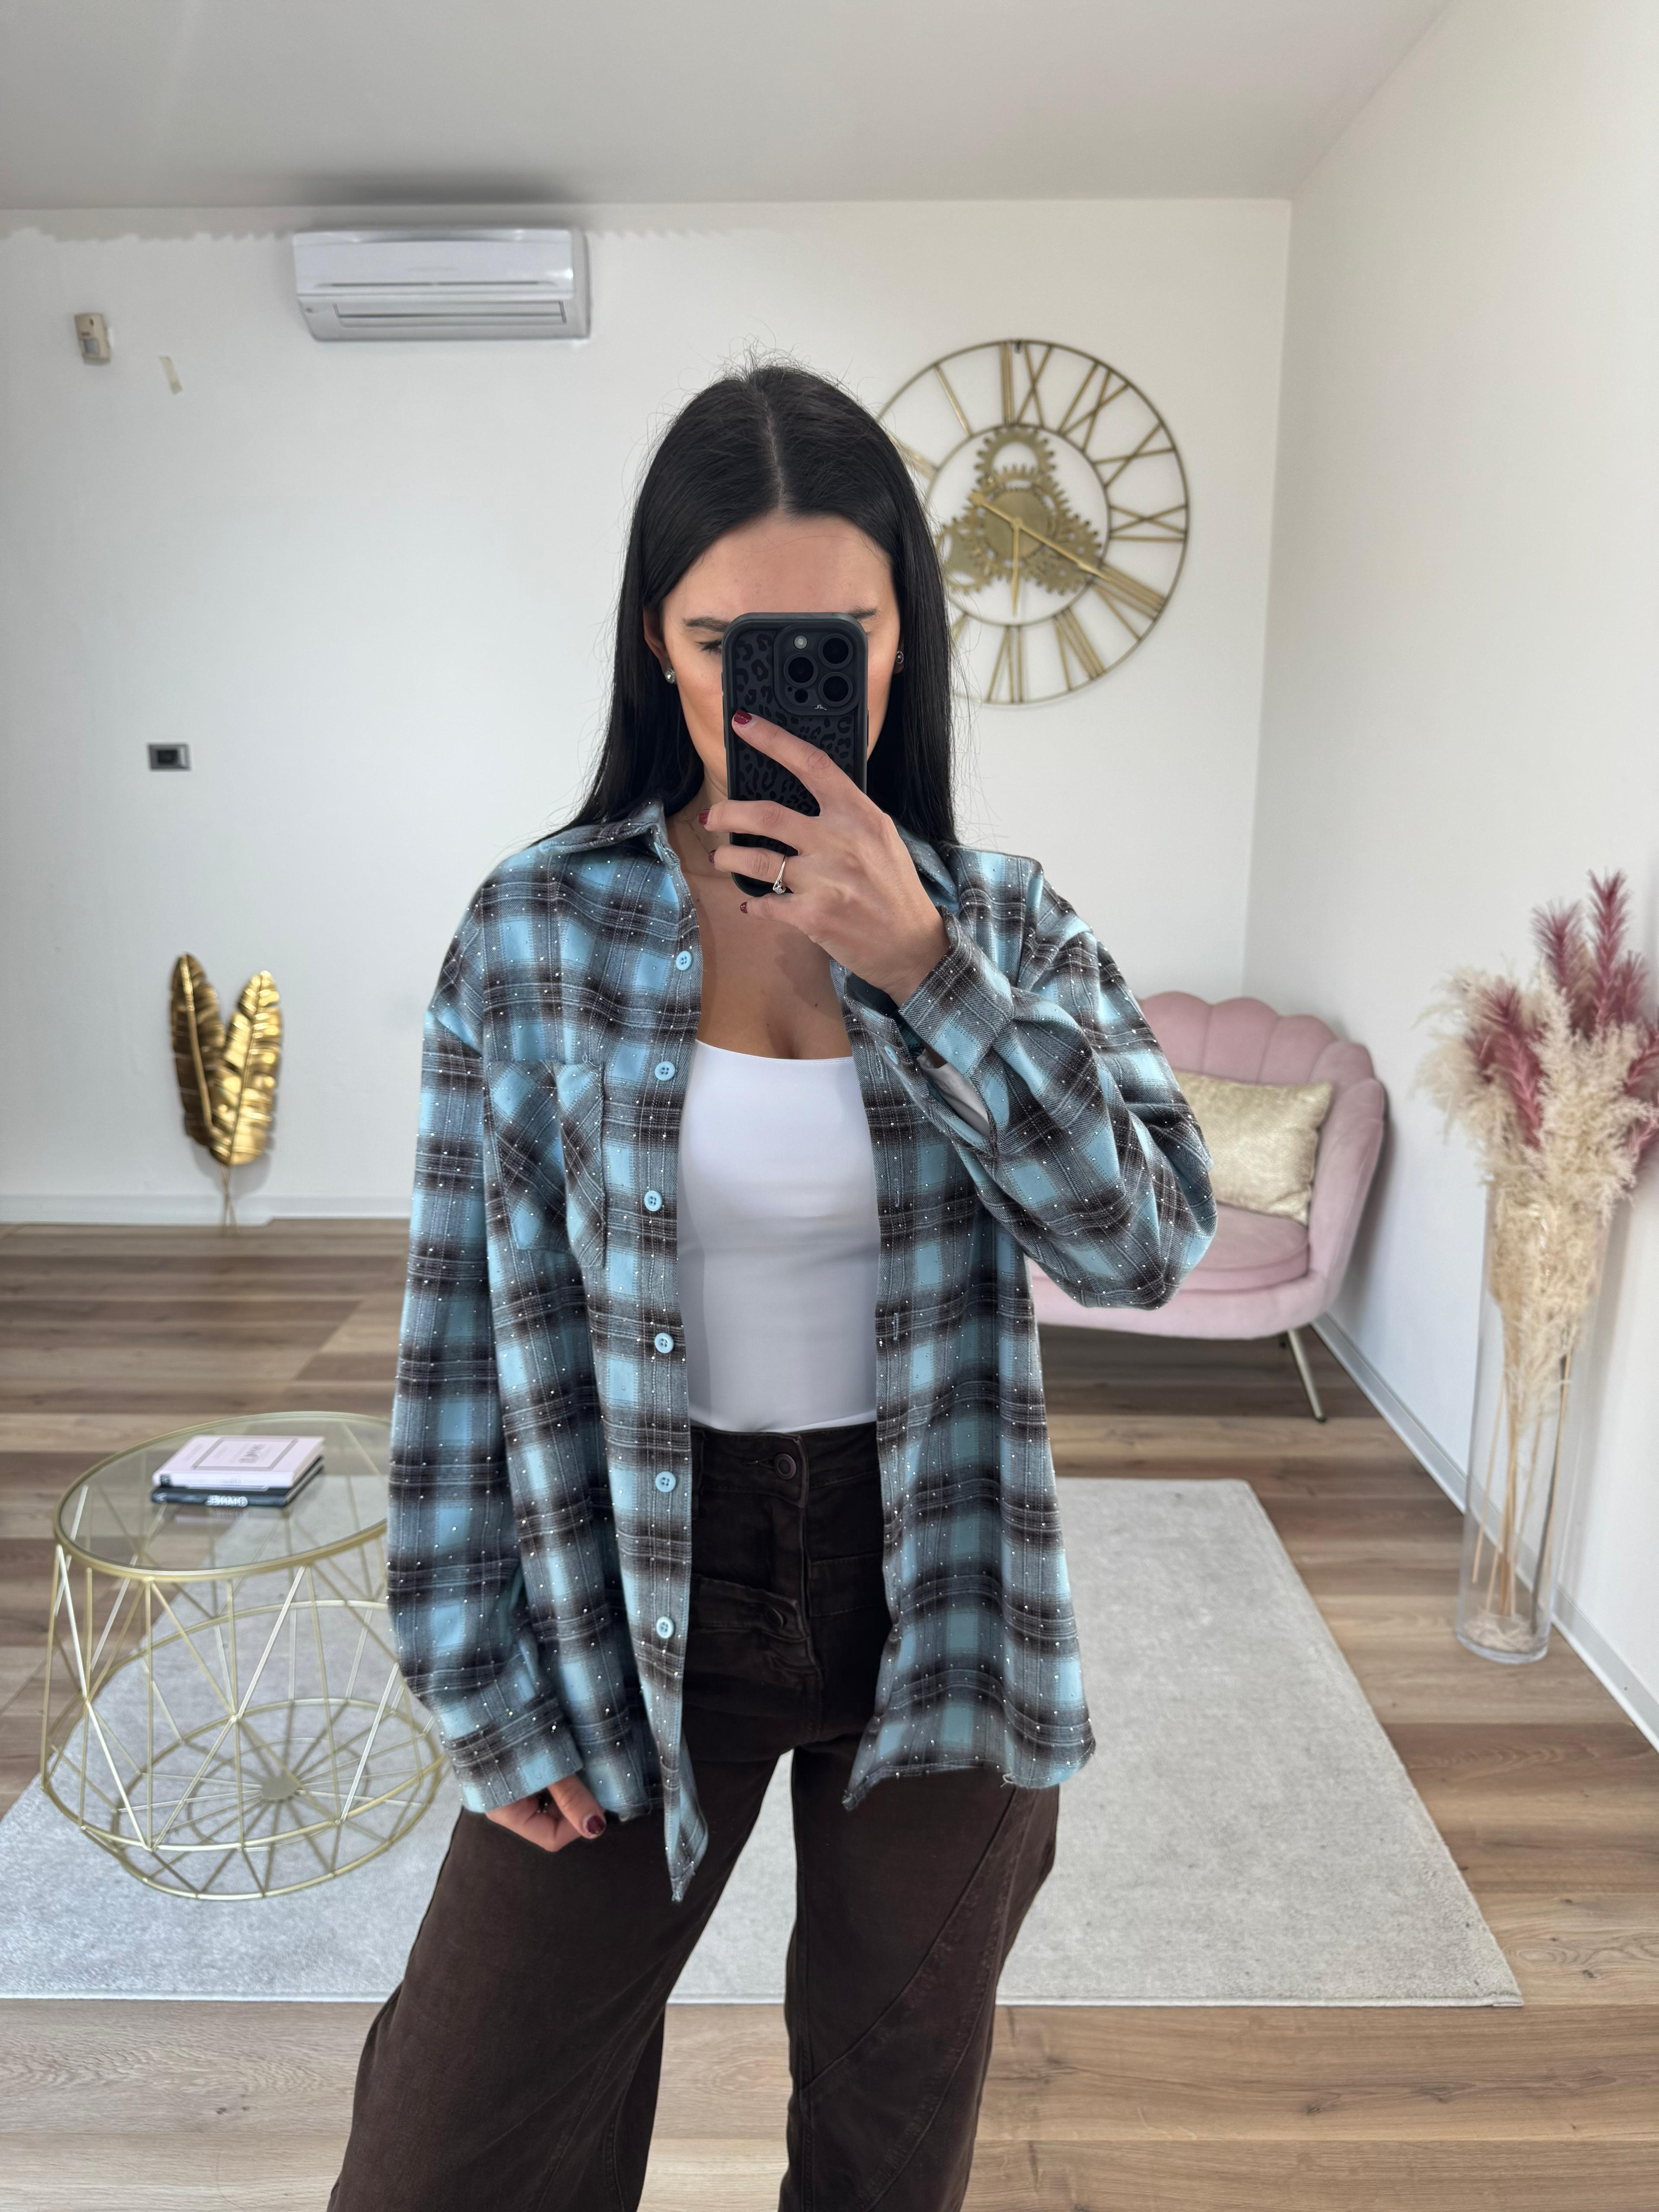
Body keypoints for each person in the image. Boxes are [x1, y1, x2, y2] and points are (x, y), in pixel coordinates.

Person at [330, 359, 1214, 2212]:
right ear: (658, 645)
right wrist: (473, 1678)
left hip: (942, 1593)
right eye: (728, 639)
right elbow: (455, 1336)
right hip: (625, 1581)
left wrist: (929, 965)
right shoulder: (535, 929)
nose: (783, 682)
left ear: (904, 640)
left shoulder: (1010, 921)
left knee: (889, 2143)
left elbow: (1143, 1243)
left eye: (838, 637)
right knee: (445, 2150)